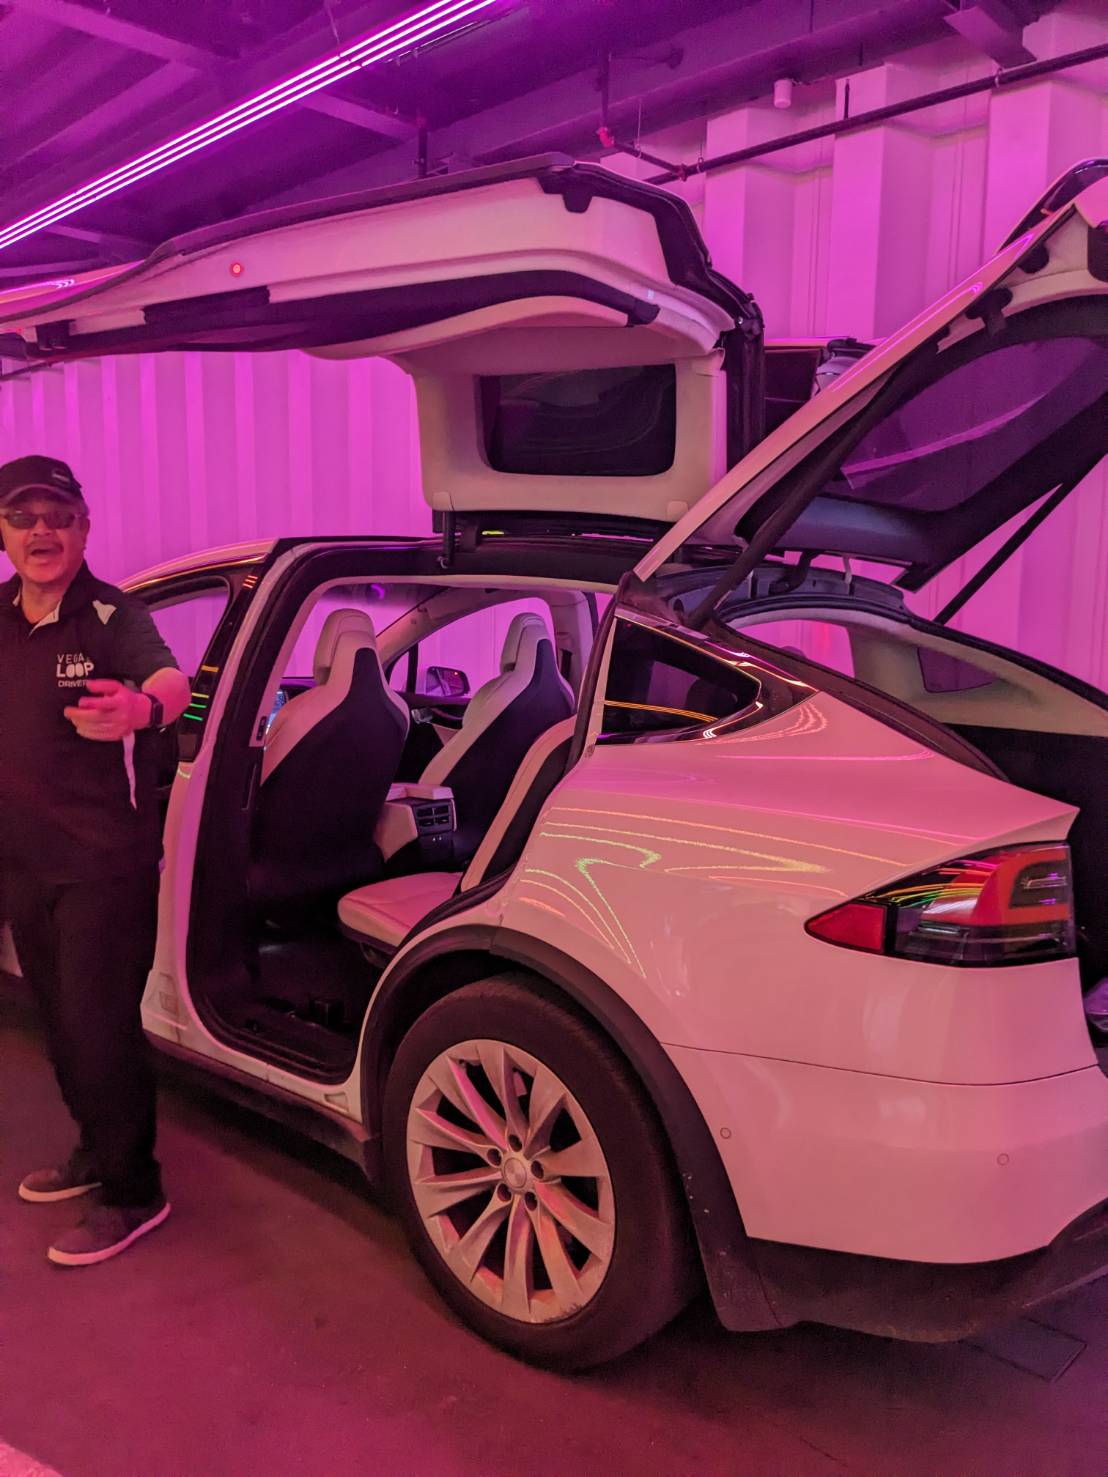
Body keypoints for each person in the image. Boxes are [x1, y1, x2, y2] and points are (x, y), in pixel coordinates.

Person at [0, 454, 191, 1266]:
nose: (41, 530)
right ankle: (95, 1148)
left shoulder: (113, 615)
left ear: (84, 527)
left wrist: (141, 708)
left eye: (59, 515)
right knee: (55, 1018)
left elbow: (173, 682)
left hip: (102, 865)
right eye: (23, 515)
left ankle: (134, 1190)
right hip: (22, 862)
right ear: (2, 531)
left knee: (99, 1025)